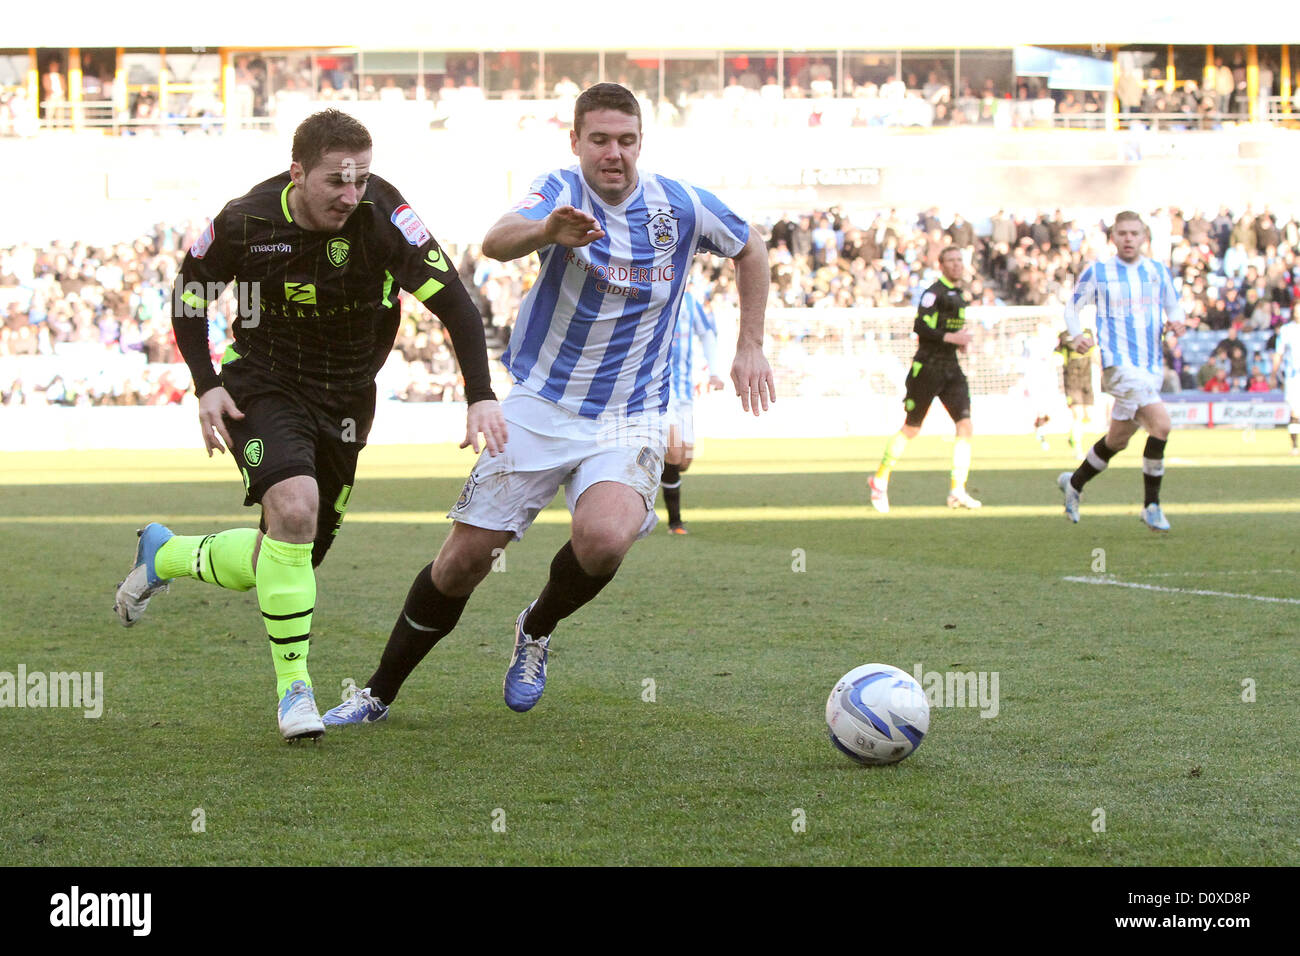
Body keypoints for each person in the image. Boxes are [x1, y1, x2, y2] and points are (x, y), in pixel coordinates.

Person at [322, 83, 774, 725]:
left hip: (631, 413)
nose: (613, 153)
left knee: (604, 541)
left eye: (626, 140)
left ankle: (536, 627)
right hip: (541, 404)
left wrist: (749, 344)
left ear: (640, 142)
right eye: (600, 140)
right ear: (576, 142)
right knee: (462, 563)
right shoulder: (559, 190)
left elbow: (750, 245)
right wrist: (547, 232)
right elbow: (497, 239)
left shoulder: (682, 204)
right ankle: (377, 694)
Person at [112, 109, 506, 741]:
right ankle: (295, 692)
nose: (351, 196)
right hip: (262, 380)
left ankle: (169, 554)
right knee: (295, 511)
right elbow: (190, 293)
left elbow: (453, 298)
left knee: (292, 556)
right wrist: (206, 384)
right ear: (298, 172)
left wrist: (479, 393)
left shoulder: (386, 215)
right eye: (335, 182)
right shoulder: (247, 220)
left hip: (348, 397)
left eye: (361, 180)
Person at [1058, 210, 1184, 531]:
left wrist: (1178, 322)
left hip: (1150, 366)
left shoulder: (1157, 272)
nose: (1128, 238)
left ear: (1144, 238)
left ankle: (1073, 483)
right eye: (1123, 233)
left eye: (1134, 233)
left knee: (1117, 441)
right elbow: (1072, 307)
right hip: (1118, 365)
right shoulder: (1099, 272)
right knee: (1162, 425)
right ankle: (1151, 506)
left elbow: (1173, 306)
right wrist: (1077, 336)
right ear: (1113, 238)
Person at [869, 246, 981, 513]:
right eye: (950, 260)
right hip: (927, 368)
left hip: (951, 368)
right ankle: (879, 480)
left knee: (965, 426)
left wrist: (961, 343)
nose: (956, 265)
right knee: (912, 428)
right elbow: (920, 327)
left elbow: (950, 329)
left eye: (959, 260)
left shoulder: (960, 295)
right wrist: (952, 338)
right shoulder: (934, 293)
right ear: (941, 265)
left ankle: (957, 490)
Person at [660, 284, 725, 534]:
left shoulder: (689, 303)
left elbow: (708, 334)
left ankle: (643, 472)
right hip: (659, 391)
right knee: (674, 454)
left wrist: (715, 372)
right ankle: (674, 522)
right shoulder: (650, 292)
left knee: (683, 462)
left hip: (685, 392)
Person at [1056, 329, 1097, 451]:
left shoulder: (1088, 333)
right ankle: (1077, 444)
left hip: (1087, 381)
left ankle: (1074, 435)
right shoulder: (1064, 336)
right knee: (1077, 414)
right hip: (1071, 381)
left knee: (1088, 416)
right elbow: (1057, 356)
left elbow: (1095, 354)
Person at [1272, 309, 1300, 455]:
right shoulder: (1286, 330)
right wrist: (1273, 373)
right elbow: (1279, 352)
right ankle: (1295, 446)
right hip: (1294, 376)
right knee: (1295, 411)